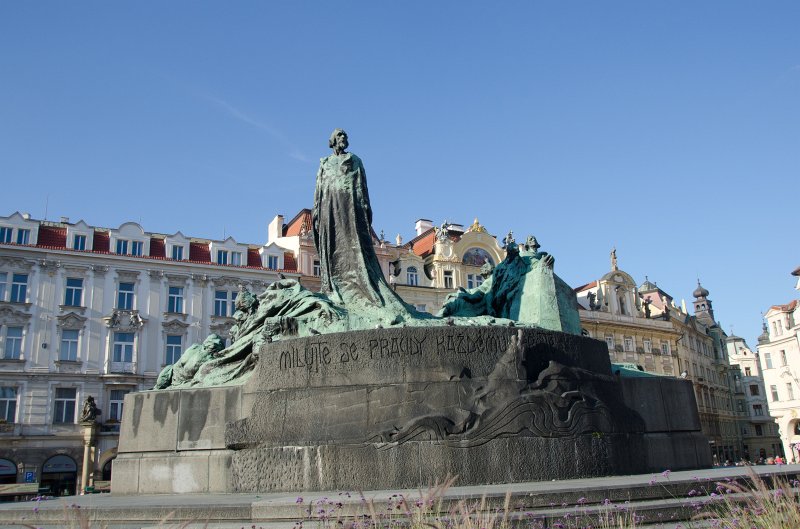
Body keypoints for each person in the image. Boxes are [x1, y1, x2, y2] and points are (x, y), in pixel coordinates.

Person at [312, 129, 413, 321]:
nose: (343, 139)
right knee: (332, 245)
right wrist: (316, 209)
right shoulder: (324, 163)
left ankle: (359, 285)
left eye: (345, 137)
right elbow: (319, 188)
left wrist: (365, 207)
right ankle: (335, 285)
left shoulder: (355, 160)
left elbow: (361, 186)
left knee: (354, 245)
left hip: (351, 208)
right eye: (340, 136)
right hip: (329, 207)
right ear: (333, 141)